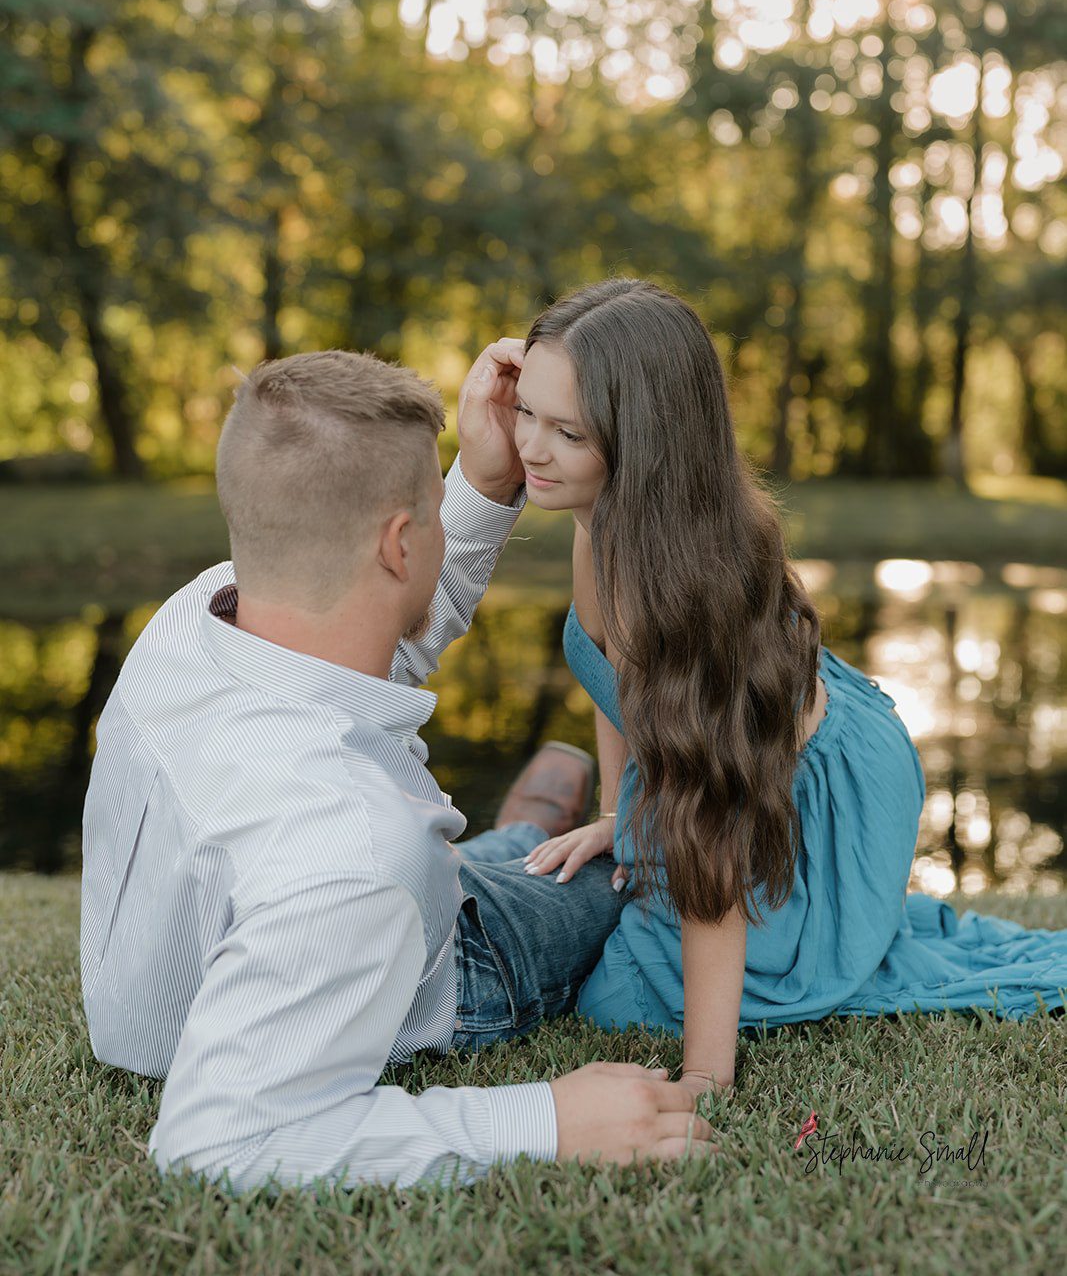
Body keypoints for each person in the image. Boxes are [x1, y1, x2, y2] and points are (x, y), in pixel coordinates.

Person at [80, 343, 715, 1193]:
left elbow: (368, 621)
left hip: (204, 956)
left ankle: (521, 834)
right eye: (433, 512)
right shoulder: (354, 850)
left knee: (486, 856)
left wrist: (481, 487)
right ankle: (522, 840)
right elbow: (215, 1146)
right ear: (400, 542)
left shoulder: (193, 619)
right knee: (641, 868)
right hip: (445, 959)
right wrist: (545, 1118)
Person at [514, 277, 1067, 1099]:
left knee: (621, 996)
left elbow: (715, 847)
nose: (530, 447)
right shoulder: (599, 520)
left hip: (821, 786)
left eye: (568, 431)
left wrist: (705, 1075)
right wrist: (617, 814)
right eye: (523, 409)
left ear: (647, 442)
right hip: (735, 746)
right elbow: (612, 688)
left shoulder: (676, 598)